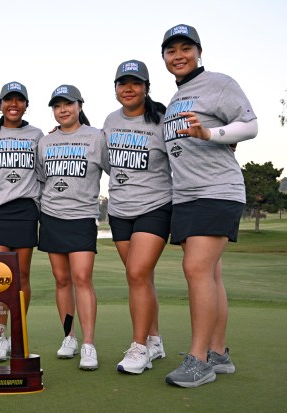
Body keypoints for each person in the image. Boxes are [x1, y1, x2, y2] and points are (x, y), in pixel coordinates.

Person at [160, 24, 258, 387]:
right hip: (185, 195)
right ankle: (218, 352)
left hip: (217, 190)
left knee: (196, 269)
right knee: (211, 273)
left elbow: (250, 125)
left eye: (186, 48)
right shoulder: (175, 99)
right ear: (165, 58)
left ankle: (198, 359)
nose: (179, 55)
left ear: (199, 52)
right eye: (171, 51)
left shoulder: (219, 83)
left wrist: (209, 134)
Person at [102, 60, 172, 374]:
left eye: (135, 83)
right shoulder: (109, 120)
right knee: (141, 278)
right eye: (122, 83)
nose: (128, 89)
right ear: (116, 88)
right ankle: (155, 340)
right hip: (119, 211)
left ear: (146, 87)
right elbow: (101, 158)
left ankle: (139, 348)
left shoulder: (162, 119)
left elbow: (184, 156)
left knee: (137, 275)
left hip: (155, 206)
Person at [36, 85, 109, 371]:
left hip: (81, 217)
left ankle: (88, 344)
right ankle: (70, 337)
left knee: (82, 278)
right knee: (61, 279)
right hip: (52, 216)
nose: (63, 109)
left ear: (79, 105)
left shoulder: (96, 137)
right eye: (57, 105)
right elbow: (42, 179)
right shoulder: (45, 141)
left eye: (68, 104)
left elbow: (112, 169)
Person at [0, 82, 44, 362]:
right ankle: (0, 337)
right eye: (8, 100)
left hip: (24, 211)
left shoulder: (37, 134)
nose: (13, 104)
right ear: (0, 104)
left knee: (22, 276)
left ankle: (16, 331)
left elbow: (43, 169)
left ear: (26, 105)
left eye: (19, 100)